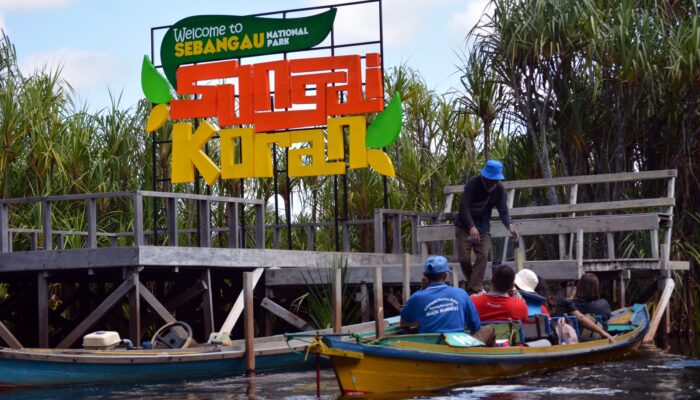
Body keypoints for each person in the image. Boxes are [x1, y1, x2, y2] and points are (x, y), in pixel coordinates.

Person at [400, 255, 495, 346]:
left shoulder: (417, 297)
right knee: (489, 329)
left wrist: (422, 291)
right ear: (445, 275)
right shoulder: (461, 293)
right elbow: (475, 325)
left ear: (425, 276)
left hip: (429, 346)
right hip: (458, 346)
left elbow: (404, 322)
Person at [455, 160, 519, 294]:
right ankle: (475, 285)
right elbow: (464, 207)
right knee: (463, 258)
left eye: (496, 180)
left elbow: (503, 210)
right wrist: (471, 227)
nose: (493, 183)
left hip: (483, 226)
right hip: (465, 225)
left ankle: (474, 289)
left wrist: (510, 225)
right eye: (491, 179)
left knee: (483, 254)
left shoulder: (499, 189)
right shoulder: (473, 183)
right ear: (484, 176)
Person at [551, 273, 615, 342]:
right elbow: (607, 316)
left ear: (579, 287)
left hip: (579, 340)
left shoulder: (573, 305)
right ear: (596, 287)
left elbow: (568, 306)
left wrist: (572, 297)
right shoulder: (604, 304)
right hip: (600, 339)